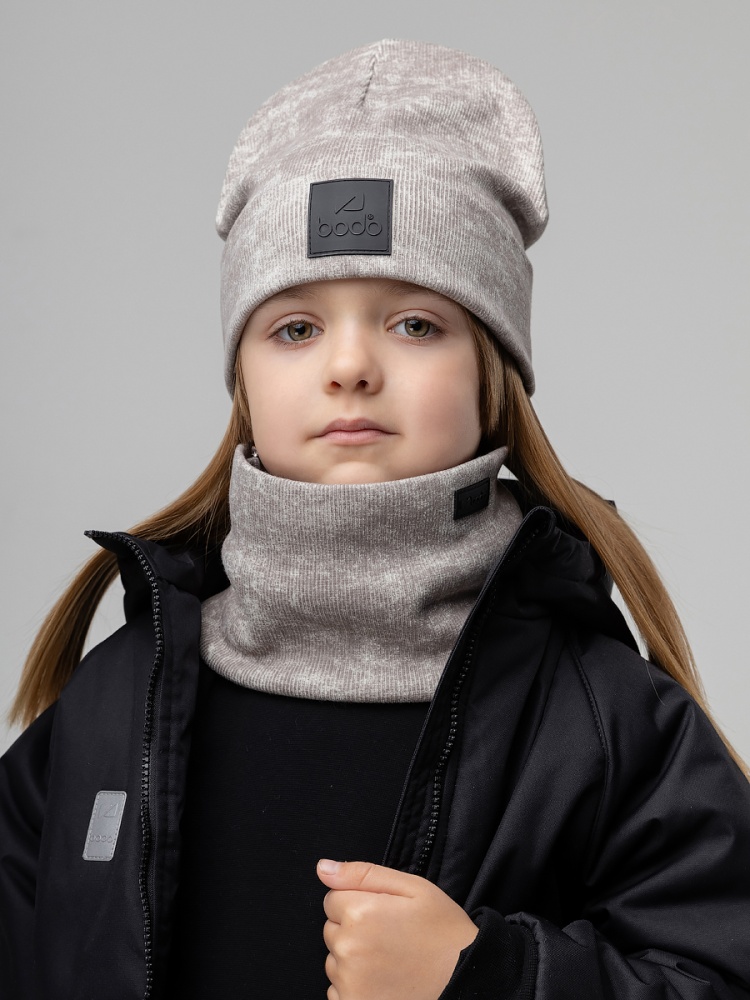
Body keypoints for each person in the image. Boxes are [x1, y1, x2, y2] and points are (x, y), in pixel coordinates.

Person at [1, 37, 749, 1000]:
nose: (350, 366)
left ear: (493, 375)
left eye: (415, 323)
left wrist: (488, 978)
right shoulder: (112, 705)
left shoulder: (606, 723)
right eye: (296, 327)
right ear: (243, 379)